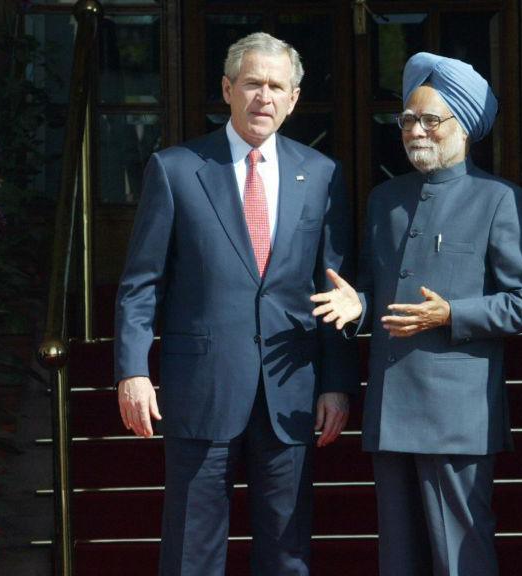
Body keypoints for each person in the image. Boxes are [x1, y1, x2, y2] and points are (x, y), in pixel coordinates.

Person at [114, 32, 358, 576]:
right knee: (191, 550)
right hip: (202, 385)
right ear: (227, 89)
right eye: (252, 83)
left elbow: (335, 289)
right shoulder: (176, 169)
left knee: (287, 549)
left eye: (277, 86)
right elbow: (141, 282)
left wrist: (337, 382)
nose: (263, 97)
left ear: (294, 98)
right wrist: (132, 370)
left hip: (289, 391)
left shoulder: (321, 175)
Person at [311, 52, 522, 575]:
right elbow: (378, 295)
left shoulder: (499, 199)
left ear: (463, 128)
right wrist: (359, 307)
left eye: (430, 120)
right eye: (407, 120)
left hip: (456, 414)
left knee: (459, 554)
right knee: (399, 558)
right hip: (391, 409)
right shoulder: (384, 200)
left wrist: (452, 315)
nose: (415, 130)